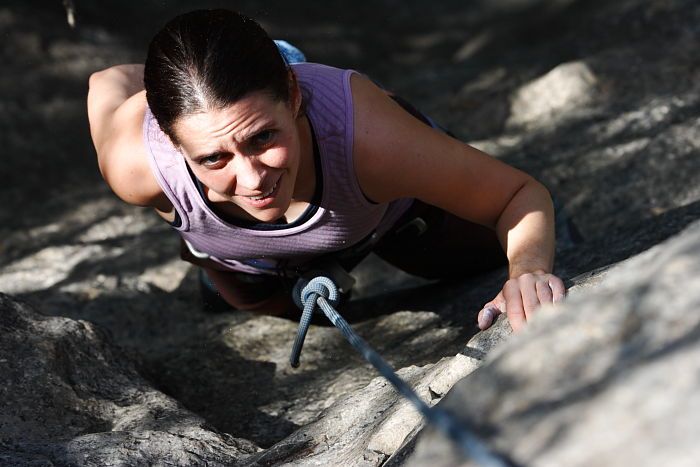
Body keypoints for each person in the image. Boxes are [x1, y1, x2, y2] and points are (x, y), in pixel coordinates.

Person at [87, 9, 565, 333]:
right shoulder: (137, 166)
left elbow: (516, 195)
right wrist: (180, 85)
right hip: (252, 257)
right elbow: (104, 80)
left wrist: (527, 270)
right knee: (271, 307)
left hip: (390, 212)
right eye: (214, 158)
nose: (252, 179)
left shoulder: (368, 138)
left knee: (481, 257)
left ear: (293, 96)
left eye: (262, 138)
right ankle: (235, 257)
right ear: (173, 142)